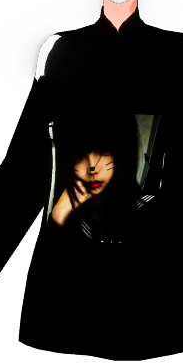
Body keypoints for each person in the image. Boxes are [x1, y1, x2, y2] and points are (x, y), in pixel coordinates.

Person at [43, 112, 164, 272]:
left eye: (104, 150)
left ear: (124, 151)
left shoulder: (148, 210)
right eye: (81, 153)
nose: (92, 166)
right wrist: (58, 215)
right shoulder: (70, 209)